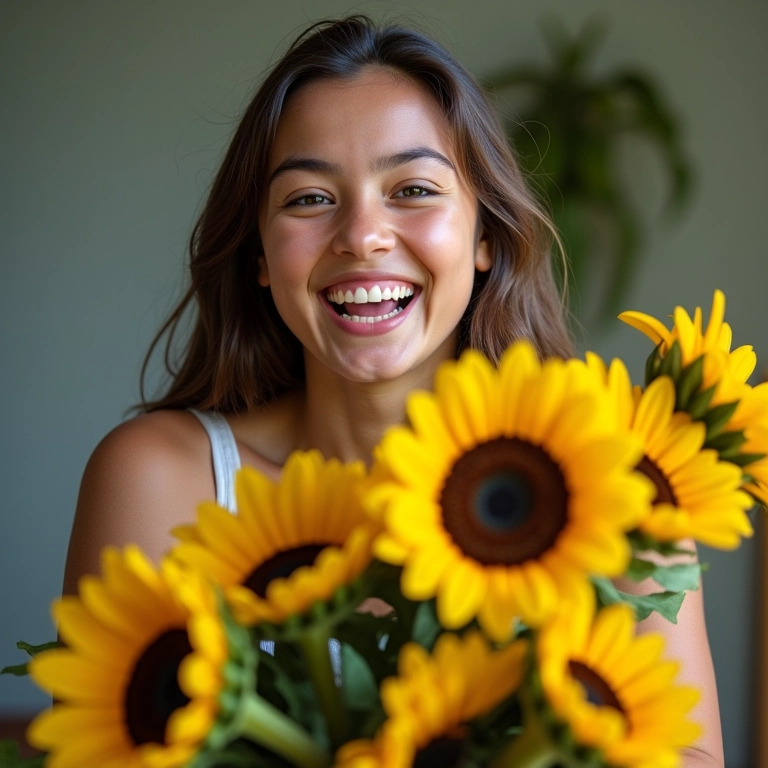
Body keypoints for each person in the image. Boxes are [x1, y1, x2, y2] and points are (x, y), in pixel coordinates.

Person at [62, 16, 724, 767]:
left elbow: (687, 754)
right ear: (258, 254)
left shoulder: (621, 481)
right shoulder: (159, 477)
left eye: (412, 189)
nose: (362, 235)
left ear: (485, 238)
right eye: (309, 199)